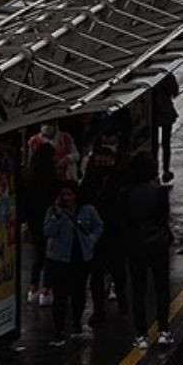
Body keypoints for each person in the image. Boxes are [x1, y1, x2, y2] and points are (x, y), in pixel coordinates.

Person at [122, 152, 174, 350]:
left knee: (138, 290)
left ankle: (141, 334)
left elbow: (122, 221)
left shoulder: (125, 193)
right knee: (161, 288)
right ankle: (164, 330)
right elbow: (164, 217)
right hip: (158, 244)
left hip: (136, 246)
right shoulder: (159, 192)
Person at [43, 182, 104, 345]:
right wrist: (57, 216)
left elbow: (98, 226)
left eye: (70, 195)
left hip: (80, 258)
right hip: (58, 259)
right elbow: (48, 232)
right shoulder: (54, 212)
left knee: (78, 293)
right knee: (60, 296)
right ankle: (59, 330)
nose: (67, 198)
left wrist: (91, 240)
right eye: (64, 195)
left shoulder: (87, 210)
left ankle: (76, 322)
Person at [81, 130, 129, 325]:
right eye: (99, 157)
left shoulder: (119, 178)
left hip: (114, 230)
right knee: (97, 273)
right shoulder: (90, 180)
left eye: (106, 158)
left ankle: (122, 296)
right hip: (95, 234)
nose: (102, 161)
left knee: (118, 269)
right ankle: (99, 308)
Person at [22, 142, 59, 306]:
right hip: (49, 221)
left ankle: (33, 287)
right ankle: (47, 289)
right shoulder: (53, 180)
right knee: (49, 256)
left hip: (33, 221)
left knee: (38, 254)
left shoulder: (28, 178)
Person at [150, 73, 179, 186]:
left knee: (153, 144)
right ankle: (166, 170)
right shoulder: (168, 76)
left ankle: (154, 171)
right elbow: (175, 92)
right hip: (166, 111)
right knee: (166, 143)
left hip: (152, 113)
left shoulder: (150, 76)